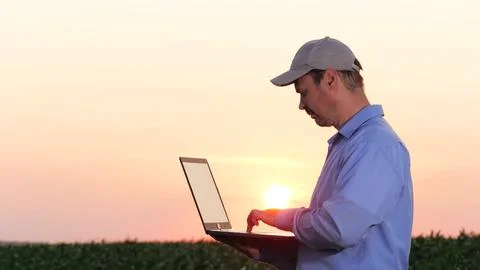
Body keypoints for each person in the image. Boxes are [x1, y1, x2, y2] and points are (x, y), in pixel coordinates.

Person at [232, 37, 414, 269]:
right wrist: (266, 251)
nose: (301, 104)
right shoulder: (351, 144)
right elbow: (340, 255)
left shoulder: (375, 145)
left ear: (330, 79)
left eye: (304, 92)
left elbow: (338, 229)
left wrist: (285, 219)